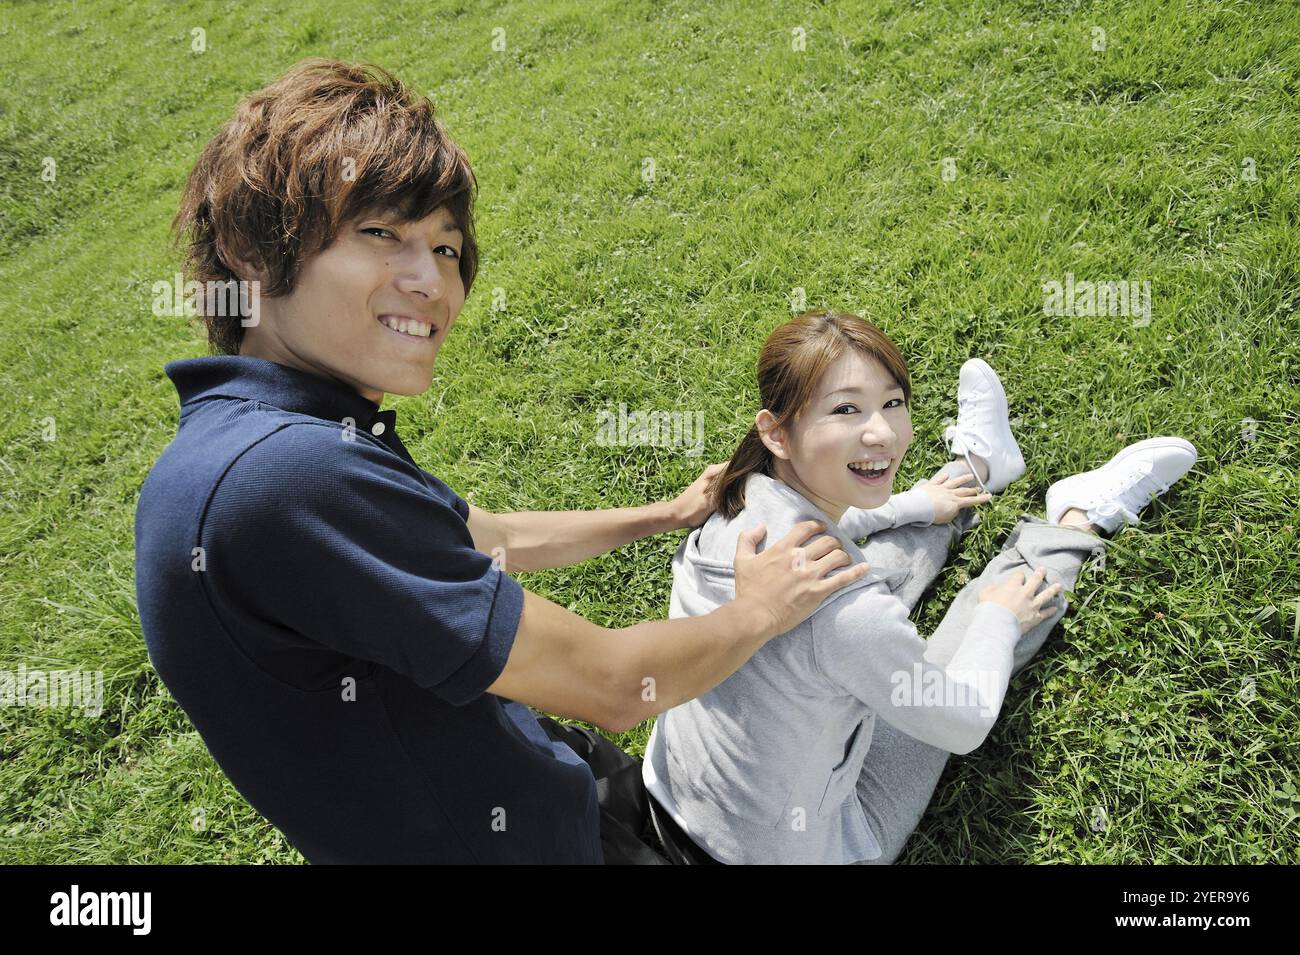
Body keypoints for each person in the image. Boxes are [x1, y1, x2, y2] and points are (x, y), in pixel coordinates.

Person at [133, 58, 870, 865]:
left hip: (534, 780)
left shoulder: (258, 433)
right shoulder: (283, 477)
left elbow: (487, 536)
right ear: (248, 248)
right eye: (380, 234)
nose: (432, 282)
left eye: (446, 247)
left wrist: (665, 514)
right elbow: (614, 684)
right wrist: (760, 607)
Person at [641, 309, 1198, 864]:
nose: (883, 432)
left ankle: (976, 472)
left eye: (892, 403)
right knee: (978, 633)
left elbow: (836, 525)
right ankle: (1075, 522)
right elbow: (963, 722)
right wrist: (998, 620)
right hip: (810, 846)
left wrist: (916, 504)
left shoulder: (730, 501)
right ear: (776, 433)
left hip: (671, 792)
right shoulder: (847, 615)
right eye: (845, 409)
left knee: (869, 548)